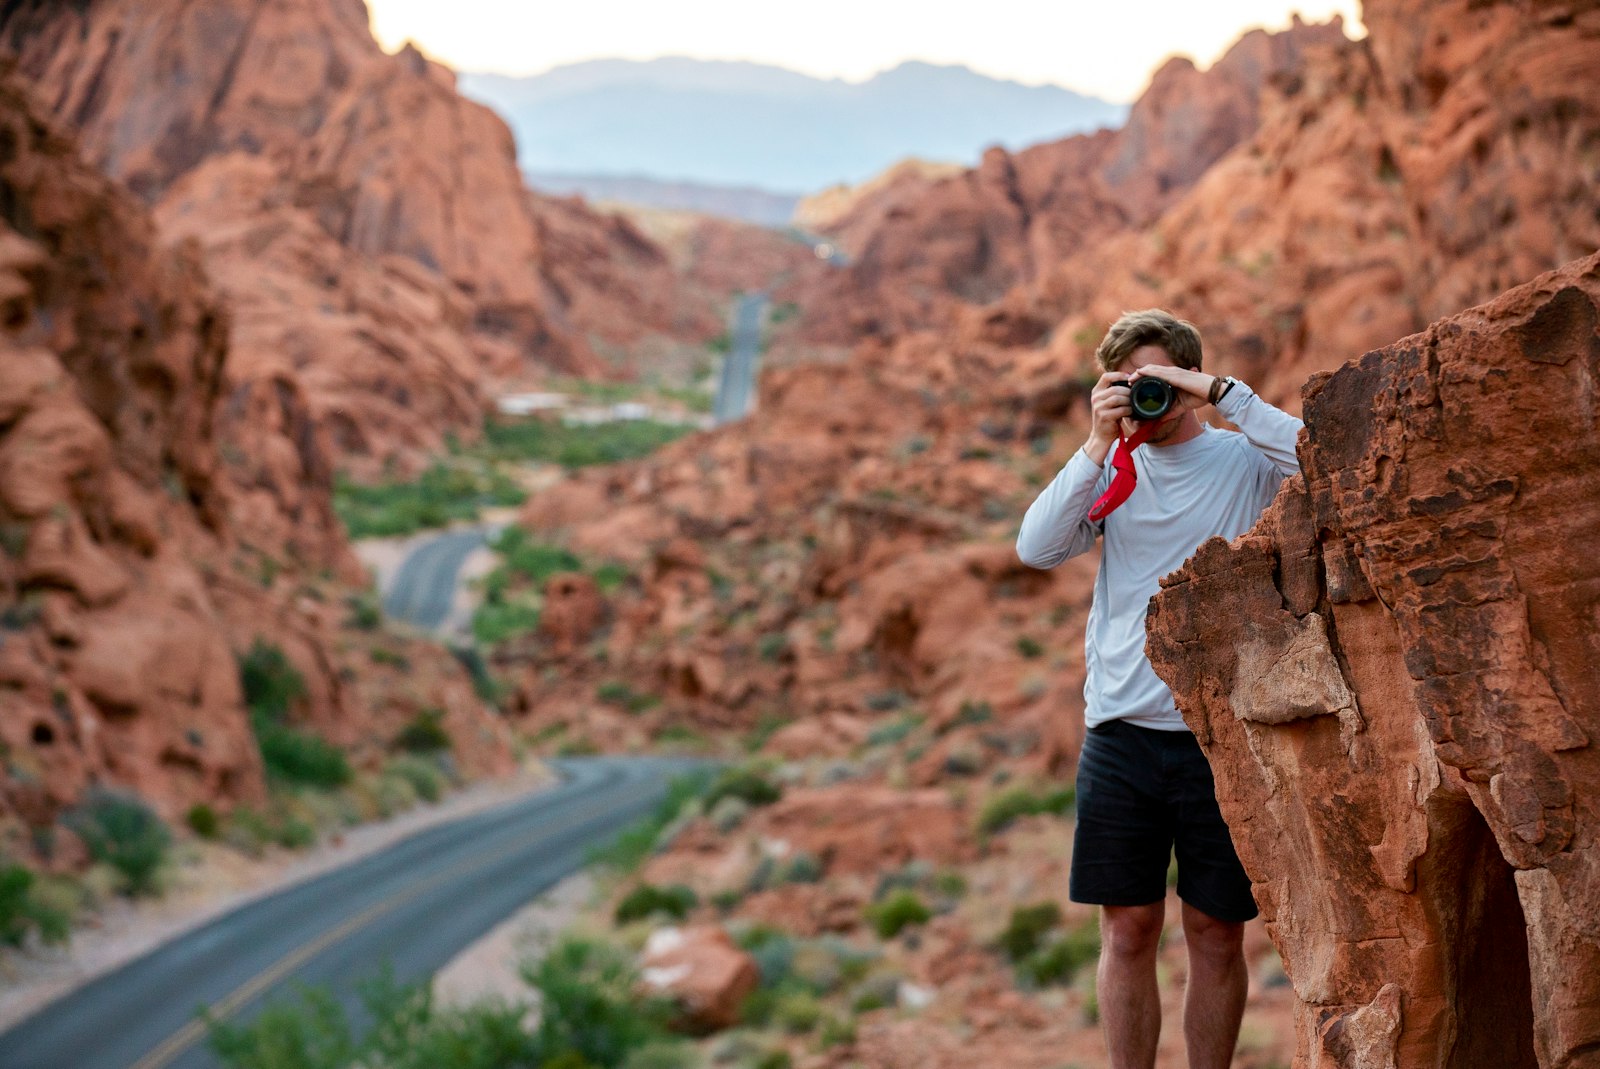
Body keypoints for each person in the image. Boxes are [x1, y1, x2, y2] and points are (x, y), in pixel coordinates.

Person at [1015, 309, 1302, 1069]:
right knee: (1128, 929)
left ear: (1187, 379)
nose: (1154, 399)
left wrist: (1222, 392)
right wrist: (1095, 443)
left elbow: (1321, 454)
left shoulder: (1244, 461)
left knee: (1215, 934)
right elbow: (1036, 545)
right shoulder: (1113, 473)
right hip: (1121, 735)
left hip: (1221, 737)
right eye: (1135, 384)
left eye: (1163, 383)